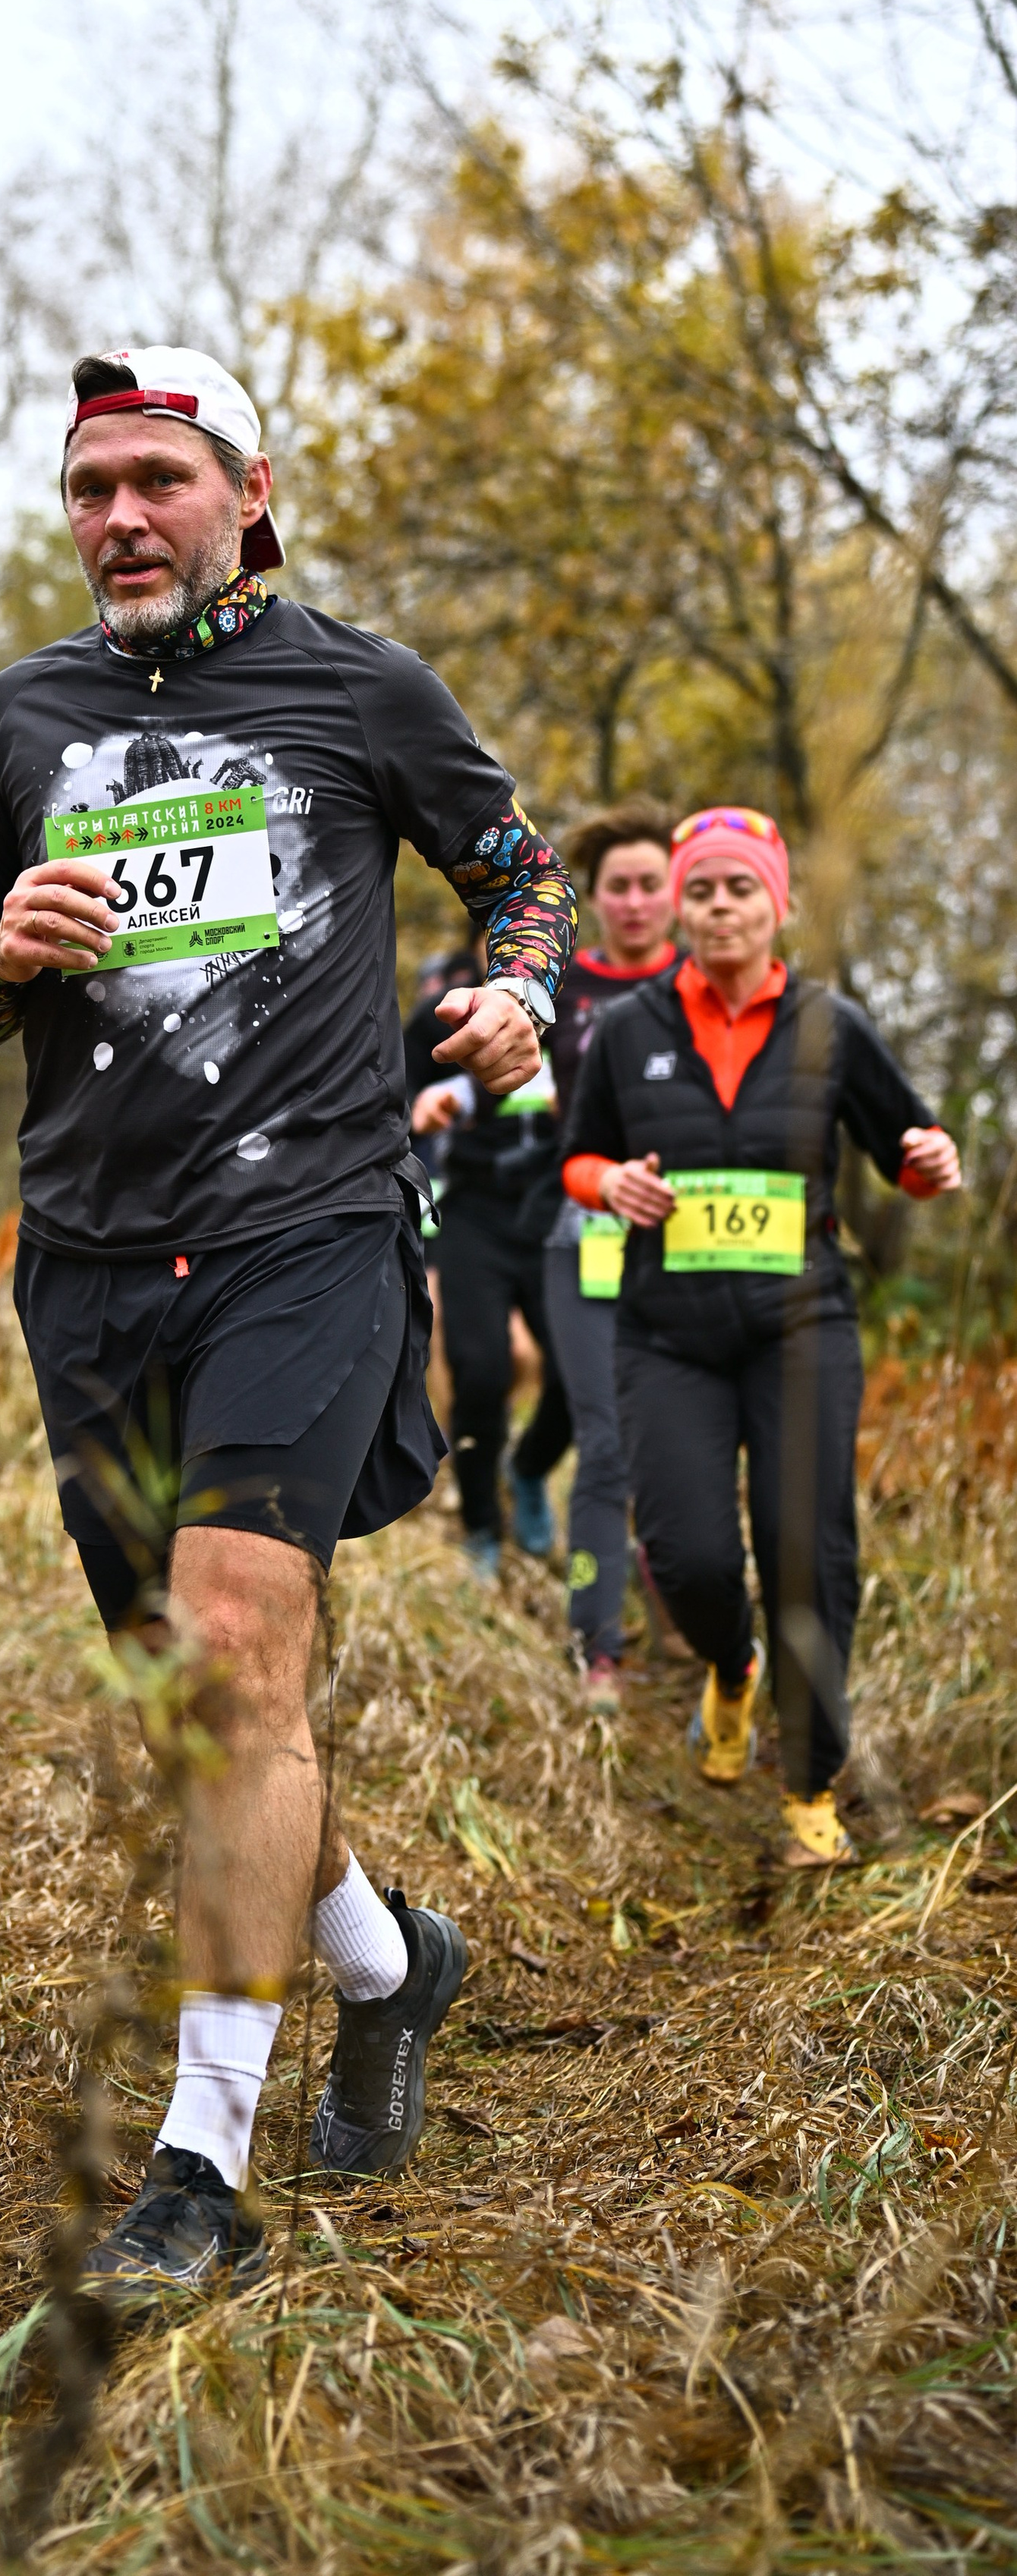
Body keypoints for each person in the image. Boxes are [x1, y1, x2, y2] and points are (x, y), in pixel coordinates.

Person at [0, 345, 575, 2295]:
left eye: (159, 479)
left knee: (226, 1650)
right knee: (193, 1700)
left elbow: (519, 882)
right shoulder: (16, 716)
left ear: (246, 492)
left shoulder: (359, 690)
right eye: (89, 487)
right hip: (87, 1258)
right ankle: (384, 1959)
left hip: (305, 1228)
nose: (120, 518)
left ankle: (196, 2170)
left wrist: (517, 994)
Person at [559, 807, 959, 1865]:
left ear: (776, 904)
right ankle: (730, 1665)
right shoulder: (630, 1027)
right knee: (687, 1552)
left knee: (806, 1548)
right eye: (700, 890)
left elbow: (907, 1150)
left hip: (800, 1326)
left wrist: (930, 1162)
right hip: (667, 1333)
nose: (719, 906)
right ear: (679, 908)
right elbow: (578, 1156)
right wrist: (613, 1183)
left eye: (740, 888)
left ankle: (810, 1784)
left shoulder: (832, 1026)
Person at [534, 797, 682, 1709]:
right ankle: (597, 1644)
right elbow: (510, 1088)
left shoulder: (706, 984)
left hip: (689, 1239)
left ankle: (684, 1601)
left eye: (648, 884)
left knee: (680, 1440)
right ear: (593, 898)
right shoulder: (562, 988)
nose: (632, 902)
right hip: (582, 1235)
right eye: (616, 886)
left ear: (676, 892)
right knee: (604, 1442)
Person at [407, 962, 571, 1580]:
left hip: (556, 1210)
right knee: (481, 1371)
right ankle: (480, 1525)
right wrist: (422, 1109)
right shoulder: (443, 1013)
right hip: (473, 1213)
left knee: (575, 1373)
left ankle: (527, 1469)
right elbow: (392, 1095)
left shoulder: (578, 1008)